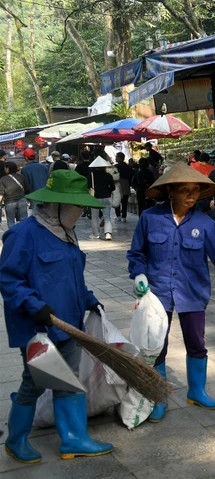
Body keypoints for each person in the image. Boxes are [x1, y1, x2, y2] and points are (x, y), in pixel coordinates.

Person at [0, 170, 113, 463]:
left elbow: (72, 278)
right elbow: (9, 280)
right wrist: (32, 304)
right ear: (56, 205)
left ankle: (74, 439)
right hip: (38, 328)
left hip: (70, 324)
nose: (81, 212)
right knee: (35, 382)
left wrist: (89, 300)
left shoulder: (67, 234)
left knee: (70, 381)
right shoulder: (23, 235)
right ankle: (16, 440)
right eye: (77, 206)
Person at [127, 163, 215, 423]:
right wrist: (139, 274)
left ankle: (197, 390)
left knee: (196, 343)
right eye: (184, 190)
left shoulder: (205, 224)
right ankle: (159, 397)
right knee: (157, 347)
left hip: (192, 293)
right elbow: (136, 254)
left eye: (195, 191)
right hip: (157, 294)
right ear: (170, 191)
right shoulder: (150, 218)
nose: (191, 196)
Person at [88, 156, 115, 240]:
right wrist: (108, 191)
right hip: (107, 197)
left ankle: (96, 234)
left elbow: (88, 186)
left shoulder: (91, 175)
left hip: (95, 198)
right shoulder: (108, 175)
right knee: (107, 217)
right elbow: (113, 187)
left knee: (95, 217)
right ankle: (108, 234)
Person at [0, 162, 30, 228]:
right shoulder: (22, 177)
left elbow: (1, 193)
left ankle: (13, 236)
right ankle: (23, 236)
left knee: (11, 222)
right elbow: (27, 189)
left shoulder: (3, 179)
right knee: (24, 221)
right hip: (22, 200)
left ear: (7, 169)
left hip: (9, 202)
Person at [115, 152, 133, 222]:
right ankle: (124, 217)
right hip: (126, 184)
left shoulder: (116, 167)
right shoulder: (128, 167)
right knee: (124, 201)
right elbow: (131, 175)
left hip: (118, 184)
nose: (115, 158)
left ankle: (118, 216)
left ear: (119, 158)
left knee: (117, 200)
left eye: (116, 157)